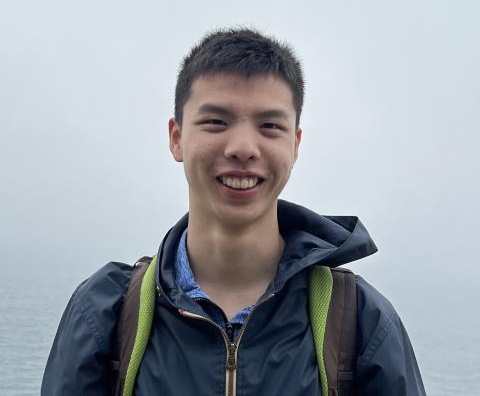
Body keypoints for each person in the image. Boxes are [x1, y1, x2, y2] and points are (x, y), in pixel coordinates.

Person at [42, 28, 426, 395]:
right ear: (177, 139)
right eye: (216, 122)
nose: (243, 147)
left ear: (295, 145)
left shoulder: (359, 321)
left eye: (269, 125)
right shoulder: (106, 313)